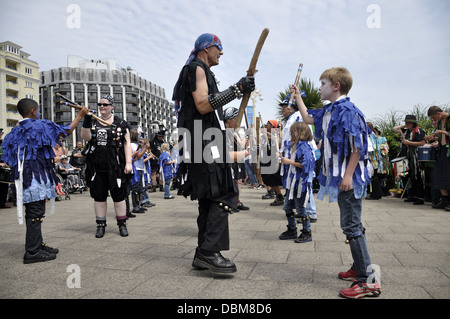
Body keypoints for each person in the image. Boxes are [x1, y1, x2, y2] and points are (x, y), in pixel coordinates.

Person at [292, 67, 381, 299]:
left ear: (336, 86)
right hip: (343, 176)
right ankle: (359, 267)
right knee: (353, 224)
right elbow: (308, 118)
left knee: (351, 225)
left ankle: (368, 281)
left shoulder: (348, 111)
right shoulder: (331, 110)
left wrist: (349, 175)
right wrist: (298, 98)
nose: (319, 88)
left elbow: (358, 146)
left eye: (322, 83)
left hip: (348, 178)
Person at [172, 33, 255, 274]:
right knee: (225, 191)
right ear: (205, 48)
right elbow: (202, 104)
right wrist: (237, 89)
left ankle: (202, 253)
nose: (221, 52)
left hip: (201, 139)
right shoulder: (197, 68)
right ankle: (210, 252)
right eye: (219, 47)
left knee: (209, 196)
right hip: (203, 140)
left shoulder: (195, 69)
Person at [2, 98, 89, 263]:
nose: (40, 112)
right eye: (38, 110)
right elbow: (66, 131)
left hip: (25, 176)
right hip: (34, 176)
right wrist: (80, 114)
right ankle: (32, 252)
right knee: (35, 212)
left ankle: (37, 244)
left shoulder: (15, 130)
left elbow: (7, 154)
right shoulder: (39, 125)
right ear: (33, 111)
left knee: (35, 211)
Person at [81, 94, 132, 238]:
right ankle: (100, 225)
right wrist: (86, 120)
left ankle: (122, 224)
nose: (102, 107)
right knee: (99, 197)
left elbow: (127, 144)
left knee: (119, 197)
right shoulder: (93, 122)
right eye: (100, 104)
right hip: (97, 166)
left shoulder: (121, 123)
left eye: (105, 104)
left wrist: (128, 163)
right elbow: (85, 137)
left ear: (112, 107)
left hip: (116, 167)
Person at [279, 95, 318, 222]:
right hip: (295, 155)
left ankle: (310, 213)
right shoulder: (292, 118)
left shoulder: (298, 116)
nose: (283, 109)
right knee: (298, 186)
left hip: (302, 156)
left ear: (291, 107)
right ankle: (303, 210)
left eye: (284, 107)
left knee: (306, 184)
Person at [279, 122, 316, 243]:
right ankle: (292, 229)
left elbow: (307, 164)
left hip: (300, 183)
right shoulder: (295, 146)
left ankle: (307, 232)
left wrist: (289, 161)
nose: (290, 134)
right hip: (292, 182)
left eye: (292, 132)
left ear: (299, 132)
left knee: (301, 209)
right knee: (287, 207)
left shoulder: (304, 147)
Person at [394, 115, 426, 205]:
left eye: (408, 123)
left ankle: (420, 197)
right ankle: (413, 195)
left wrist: (409, 143)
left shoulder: (419, 131)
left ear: (413, 123)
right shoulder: (406, 131)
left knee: (418, 176)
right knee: (411, 176)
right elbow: (395, 128)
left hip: (416, 157)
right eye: (406, 122)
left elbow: (422, 143)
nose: (406, 124)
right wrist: (404, 126)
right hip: (409, 157)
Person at [223, 107, 250, 211]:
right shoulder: (227, 132)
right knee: (233, 181)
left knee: (238, 181)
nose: (238, 121)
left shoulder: (233, 132)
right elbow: (240, 144)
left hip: (237, 158)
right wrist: (245, 141)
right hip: (231, 159)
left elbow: (241, 145)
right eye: (236, 119)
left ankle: (236, 201)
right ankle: (231, 201)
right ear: (229, 119)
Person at [427, 106, 450, 210]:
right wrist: (433, 137)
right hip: (443, 150)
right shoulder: (440, 122)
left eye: (434, 117)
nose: (434, 120)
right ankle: (444, 200)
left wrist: (443, 132)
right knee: (439, 174)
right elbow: (442, 137)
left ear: (438, 113)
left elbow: (445, 134)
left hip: (449, 149)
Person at [260, 120, 284, 206]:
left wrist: (273, 138)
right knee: (267, 180)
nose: (266, 125)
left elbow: (280, 145)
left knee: (274, 179)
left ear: (273, 126)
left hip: (273, 160)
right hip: (265, 160)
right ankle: (278, 196)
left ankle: (280, 196)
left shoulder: (276, 135)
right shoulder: (263, 137)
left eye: (269, 124)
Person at [366, 122, 389, 200]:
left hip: (373, 159)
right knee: (374, 176)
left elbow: (372, 147)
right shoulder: (373, 135)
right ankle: (377, 193)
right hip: (375, 159)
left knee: (374, 176)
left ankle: (375, 194)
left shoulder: (370, 136)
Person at [130, 130, 148, 214]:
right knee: (136, 188)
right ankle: (135, 206)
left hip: (140, 168)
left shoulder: (136, 145)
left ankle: (139, 205)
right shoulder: (132, 145)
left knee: (140, 188)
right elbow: (139, 156)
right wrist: (145, 148)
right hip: (136, 168)